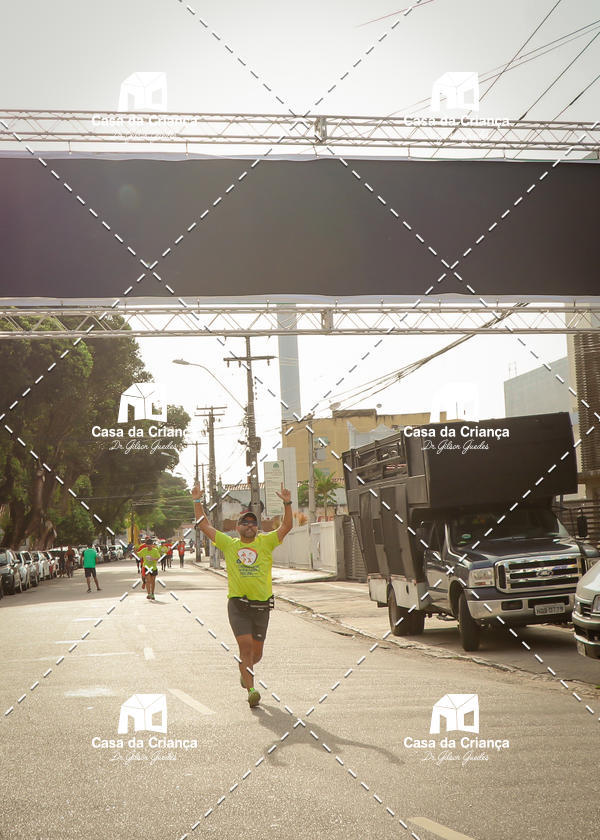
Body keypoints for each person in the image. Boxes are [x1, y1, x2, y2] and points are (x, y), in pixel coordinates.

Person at [195, 484, 293, 708]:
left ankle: (245, 671)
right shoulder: (229, 544)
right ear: (237, 528)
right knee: (246, 648)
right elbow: (204, 525)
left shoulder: (266, 542)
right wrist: (196, 501)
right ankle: (251, 690)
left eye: (253, 523)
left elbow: (287, 526)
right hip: (238, 605)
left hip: (262, 607)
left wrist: (287, 503)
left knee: (256, 654)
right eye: (245, 522)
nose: (249, 525)